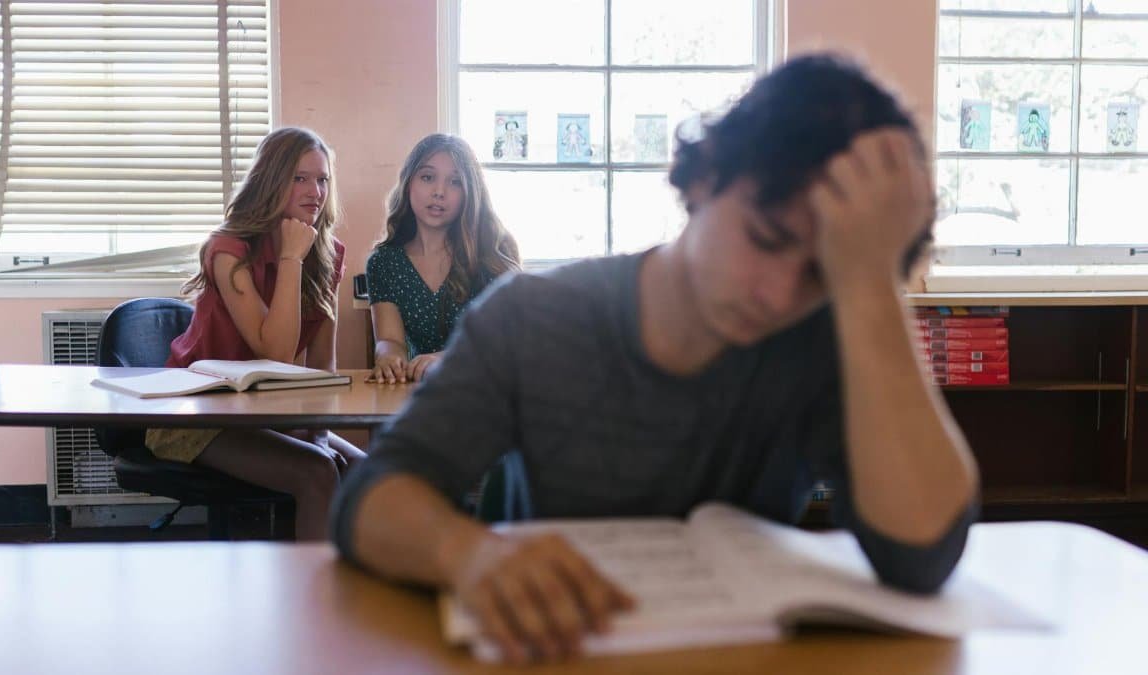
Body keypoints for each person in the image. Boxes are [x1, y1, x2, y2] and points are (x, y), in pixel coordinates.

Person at [331, 54, 980, 663]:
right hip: (559, 654)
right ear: (701, 181)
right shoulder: (533, 316)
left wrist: (867, 282)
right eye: (765, 238)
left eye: (818, 270)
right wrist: (465, 554)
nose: (778, 293)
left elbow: (921, 553)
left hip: (738, 660)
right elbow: (369, 498)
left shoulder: (823, 340)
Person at [147, 126, 364, 541]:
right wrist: (290, 258)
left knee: (366, 472)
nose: (315, 191)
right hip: (194, 417)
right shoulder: (227, 249)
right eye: (299, 178)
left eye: (322, 179)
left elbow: (322, 365)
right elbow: (277, 354)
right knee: (317, 471)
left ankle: (354, 592)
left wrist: (318, 431)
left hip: (267, 412)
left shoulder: (328, 252)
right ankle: (311, 602)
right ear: (270, 180)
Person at [366, 133, 521, 384]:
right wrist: (388, 357)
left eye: (455, 182)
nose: (439, 192)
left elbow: (509, 341)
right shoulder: (384, 262)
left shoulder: (492, 254)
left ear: (470, 192)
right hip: (421, 397)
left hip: (491, 394)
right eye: (427, 177)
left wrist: (452, 358)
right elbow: (389, 340)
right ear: (408, 184)